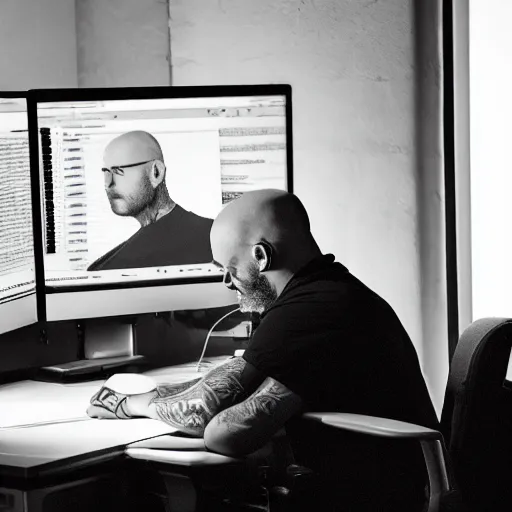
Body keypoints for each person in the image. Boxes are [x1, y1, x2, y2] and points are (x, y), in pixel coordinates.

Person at [87, 189, 439, 511]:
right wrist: (161, 393)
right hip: (395, 489)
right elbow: (242, 388)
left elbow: (224, 432)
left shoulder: (309, 311)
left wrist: (130, 403)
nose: (227, 282)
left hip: (383, 501)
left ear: (261, 255)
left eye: (229, 267)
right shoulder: (331, 293)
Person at [87, 130, 213, 270]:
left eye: (118, 171)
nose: (107, 183)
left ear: (156, 172)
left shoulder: (108, 269)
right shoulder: (214, 234)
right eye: (106, 172)